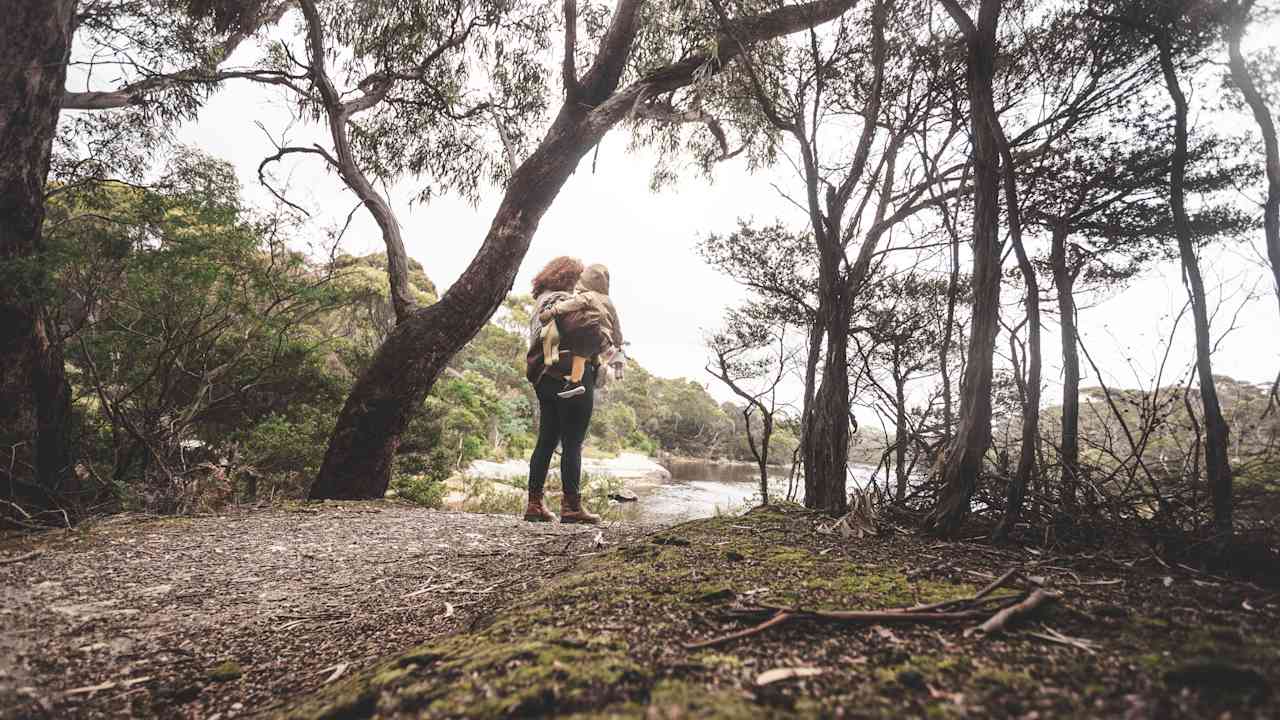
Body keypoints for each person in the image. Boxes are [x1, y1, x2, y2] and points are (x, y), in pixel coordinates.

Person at [523, 257, 604, 524]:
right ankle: (571, 506)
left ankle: (534, 504)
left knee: (546, 439)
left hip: (544, 377)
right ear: (571, 278)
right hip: (572, 377)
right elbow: (589, 333)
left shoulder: (542, 301)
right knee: (572, 442)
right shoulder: (568, 301)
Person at [538, 263, 625, 399]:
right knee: (590, 349)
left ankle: (575, 382)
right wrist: (618, 342)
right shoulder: (609, 301)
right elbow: (616, 325)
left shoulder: (589, 295)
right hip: (605, 341)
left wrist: (552, 311)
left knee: (580, 352)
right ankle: (597, 366)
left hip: (591, 333)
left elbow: (571, 304)